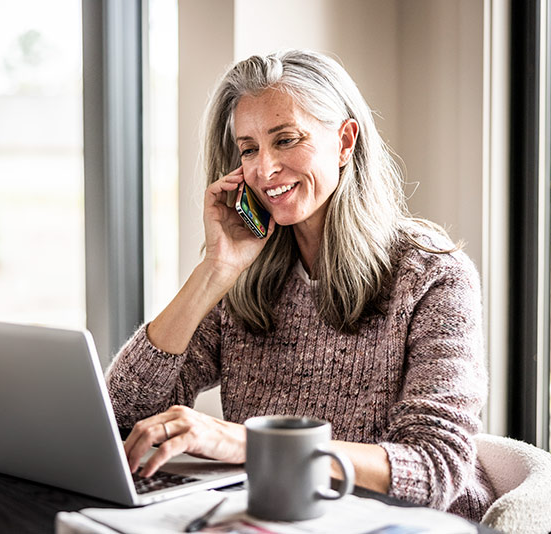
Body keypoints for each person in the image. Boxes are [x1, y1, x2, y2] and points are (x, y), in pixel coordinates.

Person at [106, 49, 495, 521]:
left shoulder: (432, 274)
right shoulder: (246, 278)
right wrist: (214, 269)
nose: (264, 169)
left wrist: (252, 445)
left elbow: (435, 468)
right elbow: (121, 415)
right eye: (248, 149)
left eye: (286, 140)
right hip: (281, 518)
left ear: (345, 141)